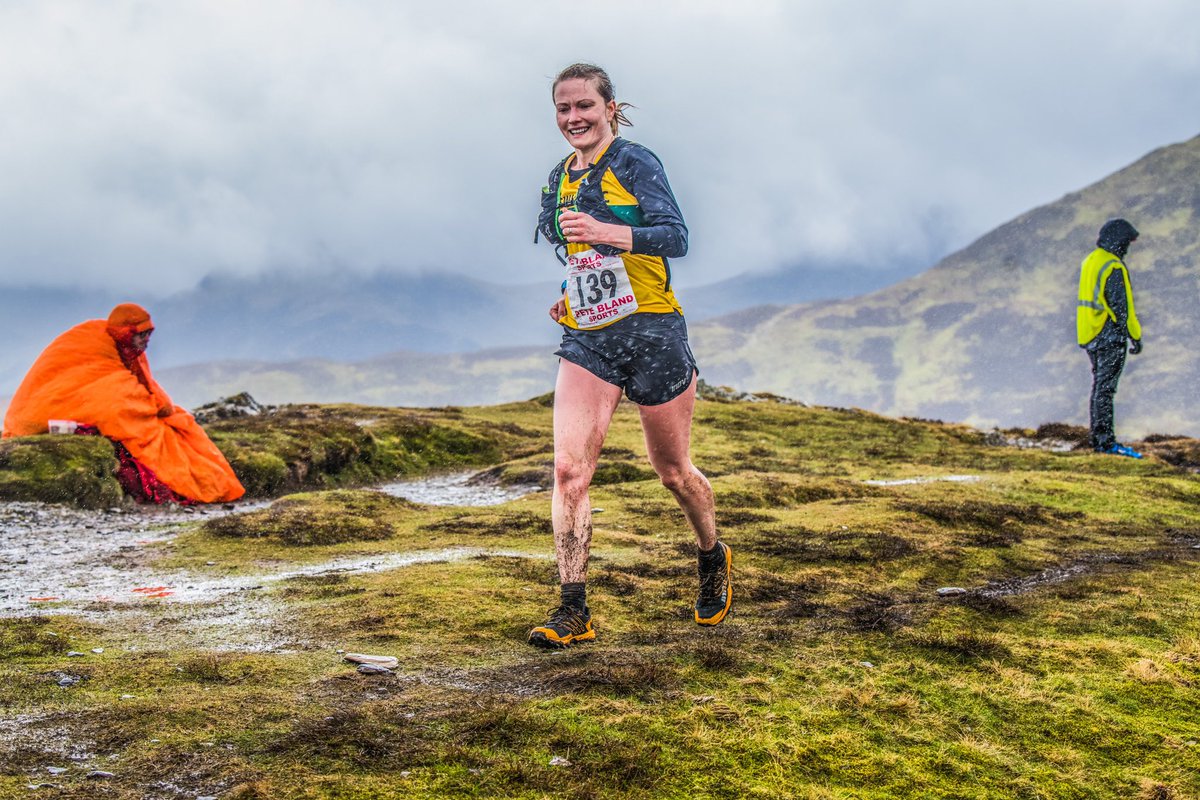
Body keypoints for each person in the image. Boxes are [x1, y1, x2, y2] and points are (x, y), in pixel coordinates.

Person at [527, 63, 731, 649]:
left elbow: (677, 237)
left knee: (673, 473)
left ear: (610, 107)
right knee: (569, 471)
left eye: (584, 107)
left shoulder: (636, 163)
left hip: (654, 334)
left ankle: (712, 555)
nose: (574, 119)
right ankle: (573, 609)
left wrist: (610, 231)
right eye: (563, 110)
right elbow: (573, 254)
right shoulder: (557, 179)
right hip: (590, 339)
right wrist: (570, 297)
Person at [2, 303, 246, 503]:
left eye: (149, 334)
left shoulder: (127, 349)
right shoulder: (91, 344)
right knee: (146, 427)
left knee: (177, 425)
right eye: (141, 335)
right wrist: (146, 407)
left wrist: (156, 406)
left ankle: (208, 478)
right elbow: (109, 398)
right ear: (126, 333)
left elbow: (141, 385)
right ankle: (194, 481)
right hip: (40, 411)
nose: (147, 341)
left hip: (80, 404)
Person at [1076, 218, 1144, 458]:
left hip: (1090, 332)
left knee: (1099, 388)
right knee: (1106, 390)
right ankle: (1106, 443)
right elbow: (1121, 309)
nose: (1127, 248)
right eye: (1126, 242)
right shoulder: (1113, 266)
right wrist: (1135, 336)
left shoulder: (1091, 261)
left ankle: (1099, 440)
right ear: (1118, 241)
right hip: (1109, 335)